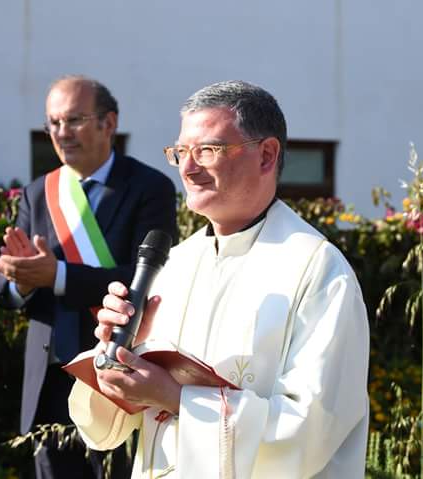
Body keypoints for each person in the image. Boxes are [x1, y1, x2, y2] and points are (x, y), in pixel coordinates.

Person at [68, 80, 369, 478]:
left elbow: (312, 429)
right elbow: (108, 430)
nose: (188, 169)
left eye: (207, 150)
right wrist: (119, 355)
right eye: (180, 152)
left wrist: (176, 398)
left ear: (266, 155)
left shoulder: (317, 270)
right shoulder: (175, 263)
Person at [0, 75, 178, 479]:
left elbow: (151, 279)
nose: (62, 133)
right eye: (53, 123)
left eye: (74, 120)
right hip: (50, 379)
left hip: (115, 377)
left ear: (109, 123)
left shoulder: (149, 187)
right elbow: (0, 289)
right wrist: (22, 280)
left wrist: (57, 274)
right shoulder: (38, 192)